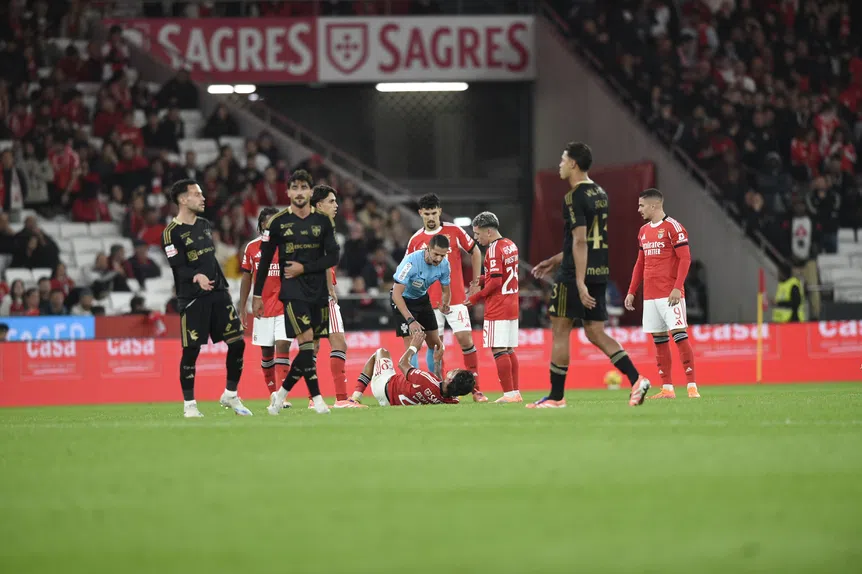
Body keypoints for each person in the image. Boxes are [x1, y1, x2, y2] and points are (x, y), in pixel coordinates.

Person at [531, 142, 650, 408]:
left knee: (560, 330)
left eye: (563, 160)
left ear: (573, 163)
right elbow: (588, 241)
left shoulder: (573, 197)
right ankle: (636, 378)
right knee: (595, 332)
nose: (560, 164)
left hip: (577, 274)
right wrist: (554, 259)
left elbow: (581, 241)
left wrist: (579, 282)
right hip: (599, 271)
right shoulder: (600, 192)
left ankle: (556, 396)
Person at [162, 178, 251, 418]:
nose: (203, 198)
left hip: (218, 294)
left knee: (238, 343)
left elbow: (210, 260)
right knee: (191, 351)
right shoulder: (171, 232)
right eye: (197, 194)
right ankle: (189, 405)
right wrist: (196, 277)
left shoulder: (204, 224)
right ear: (183, 199)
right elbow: (178, 268)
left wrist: (222, 284)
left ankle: (230, 394)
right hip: (193, 298)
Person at [254, 170, 341, 416]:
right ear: (288, 192)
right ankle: (318, 400)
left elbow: (333, 256)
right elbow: (265, 260)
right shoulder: (278, 223)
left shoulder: (323, 222)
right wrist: (257, 295)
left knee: (311, 349)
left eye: (304, 187)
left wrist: (306, 267)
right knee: (305, 343)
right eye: (295, 187)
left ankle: (281, 394)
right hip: (293, 292)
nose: (299, 192)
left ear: (310, 192)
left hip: (318, 292)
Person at [405, 193, 487, 402]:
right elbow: (407, 269)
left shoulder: (454, 231)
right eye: (427, 214)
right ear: (420, 214)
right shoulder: (415, 240)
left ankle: (476, 389)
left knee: (465, 340)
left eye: (434, 212)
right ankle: (439, 391)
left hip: (456, 299)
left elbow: (475, 251)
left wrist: (476, 282)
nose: (431, 217)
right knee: (436, 348)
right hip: (429, 303)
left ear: (440, 211)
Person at [625, 188, 700, 399]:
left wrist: (678, 287)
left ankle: (692, 386)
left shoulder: (673, 227)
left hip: (670, 294)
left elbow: (685, 259)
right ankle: (667, 388)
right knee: (659, 340)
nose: (638, 209)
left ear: (654, 205)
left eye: (641, 205)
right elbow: (640, 263)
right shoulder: (643, 231)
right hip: (650, 295)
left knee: (680, 336)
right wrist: (632, 291)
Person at [310, 184, 366, 408]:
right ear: (319, 204)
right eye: (331, 201)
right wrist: (330, 288)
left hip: (309, 292)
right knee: (339, 344)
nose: (336, 205)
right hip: (322, 293)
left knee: (312, 347)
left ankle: (313, 400)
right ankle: (342, 399)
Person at [238, 206, 294, 408]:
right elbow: (246, 277)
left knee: (283, 345)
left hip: (285, 304)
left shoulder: (288, 245)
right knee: (267, 352)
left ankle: (281, 396)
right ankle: (272, 394)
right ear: (261, 225)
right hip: (262, 306)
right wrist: (243, 305)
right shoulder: (252, 247)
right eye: (269, 222)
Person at [466, 212, 522, 403]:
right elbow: (500, 276)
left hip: (498, 306)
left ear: (488, 231)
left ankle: (508, 394)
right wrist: (480, 279)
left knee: (499, 350)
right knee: (509, 350)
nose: (476, 238)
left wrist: (475, 298)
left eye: (477, 233)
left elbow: (496, 283)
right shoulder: (510, 245)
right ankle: (515, 392)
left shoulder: (493, 249)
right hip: (512, 303)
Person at [350, 330, 476, 406]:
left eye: (456, 372)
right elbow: (438, 386)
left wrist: (414, 347)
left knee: (381, 352)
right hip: (392, 401)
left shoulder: (424, 379)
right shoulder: (451, 400)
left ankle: (355, 398)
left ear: (450, 380)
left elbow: (402, 364)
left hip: (385, 386)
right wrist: (436, 363)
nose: (455, 369)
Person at [391, 234, 451, 368]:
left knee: (436, 344)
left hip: (422, 299)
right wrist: (410, 320)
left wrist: (445, 303)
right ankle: (415, 385)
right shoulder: (410, 262)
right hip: (403, 301)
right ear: (428, 248)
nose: (439, 259)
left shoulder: (445, 265)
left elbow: (446, 290)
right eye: (436, 254)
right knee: (412, 344)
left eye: (443, 255)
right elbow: (396, 293)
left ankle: (434, 383)